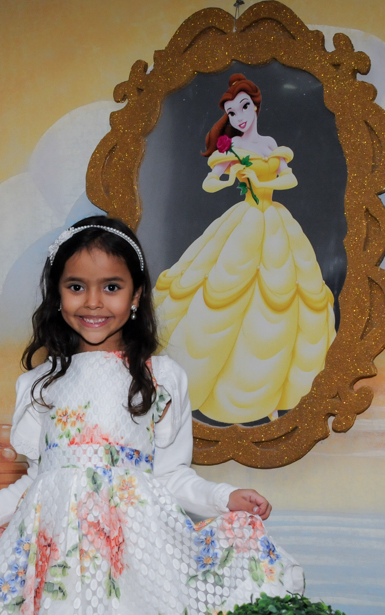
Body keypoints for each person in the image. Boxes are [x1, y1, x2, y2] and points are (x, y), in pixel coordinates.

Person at [0, 216, 305, 615]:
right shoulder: (39, 385)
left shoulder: (162, 377)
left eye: (111, 286)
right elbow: (39, 479)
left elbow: (171, 476)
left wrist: (225, 499)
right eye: (76, 287)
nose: (93, 302)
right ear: (57, 296)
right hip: (61, 561)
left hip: (136, 555)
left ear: (135, 296)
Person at [153, 73, 337, 425]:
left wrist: (260, 179)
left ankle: (276, 392)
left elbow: (289, 178)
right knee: (225, 290)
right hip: (244, 221)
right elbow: (210, 182)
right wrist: (227, 175)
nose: (239, 116)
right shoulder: (231, 148)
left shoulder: (269, 144)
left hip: (274, 219)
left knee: (282, 294)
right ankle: (211, 383)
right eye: (232, 112)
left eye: (244, 107)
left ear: (255, 107)